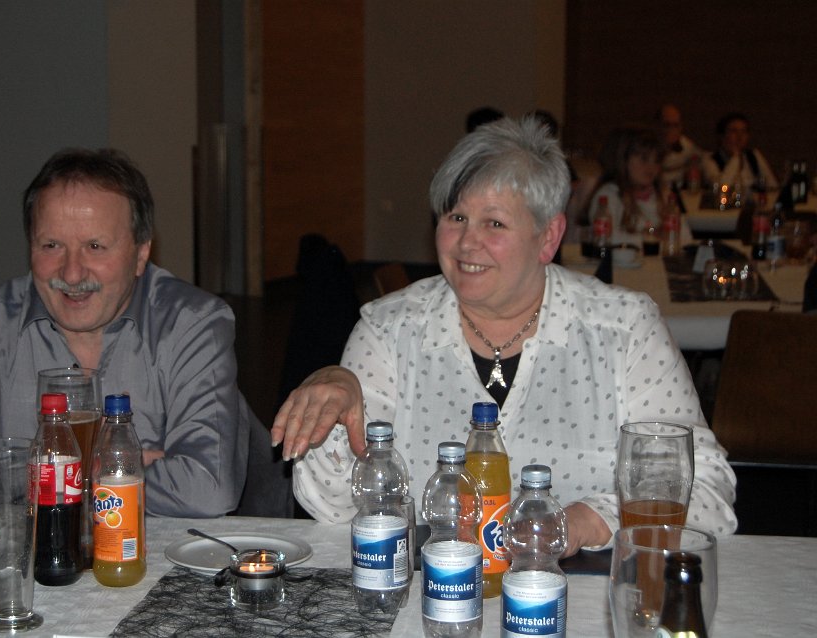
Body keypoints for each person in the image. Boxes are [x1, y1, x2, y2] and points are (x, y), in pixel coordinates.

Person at [271, 117, 737, 555]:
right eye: (455, 217)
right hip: (435, 590)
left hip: (584, 591)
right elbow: (335, 510)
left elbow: (707, 492)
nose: (466, 243)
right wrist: (335, 409)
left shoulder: (624, 329)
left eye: (494, 223)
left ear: (548, 237)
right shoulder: (389, 330)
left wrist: (588, 522)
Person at [0, 148, 253, 517]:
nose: (72, 273)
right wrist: (116, 471)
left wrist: (8, 474)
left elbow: (208, 486)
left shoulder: (192, 324)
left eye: (95, 246)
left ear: (141, 253)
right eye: (51, 245)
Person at [587, 125, 691, 247]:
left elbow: (686, 238)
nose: (651, 167)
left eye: (657, 161)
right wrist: (651, 238)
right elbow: (605, 237)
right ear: (623, 160)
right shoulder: (608, 195)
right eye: (644, 159)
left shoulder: (663, 195)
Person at [702, 112, 778, 191]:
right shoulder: (709, 160)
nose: (740, 137)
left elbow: (772, 186)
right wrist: (735, 158)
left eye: (743, 131)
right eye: (734, 131)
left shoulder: (753, 156)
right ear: (722, 135)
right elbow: (722, 188)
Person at [656, 103, 703, 188]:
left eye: (675, 125)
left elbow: (702, 161)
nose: (671, 130)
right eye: (667, 125)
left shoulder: (688, 147)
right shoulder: (648, 148)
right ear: (657, 125)